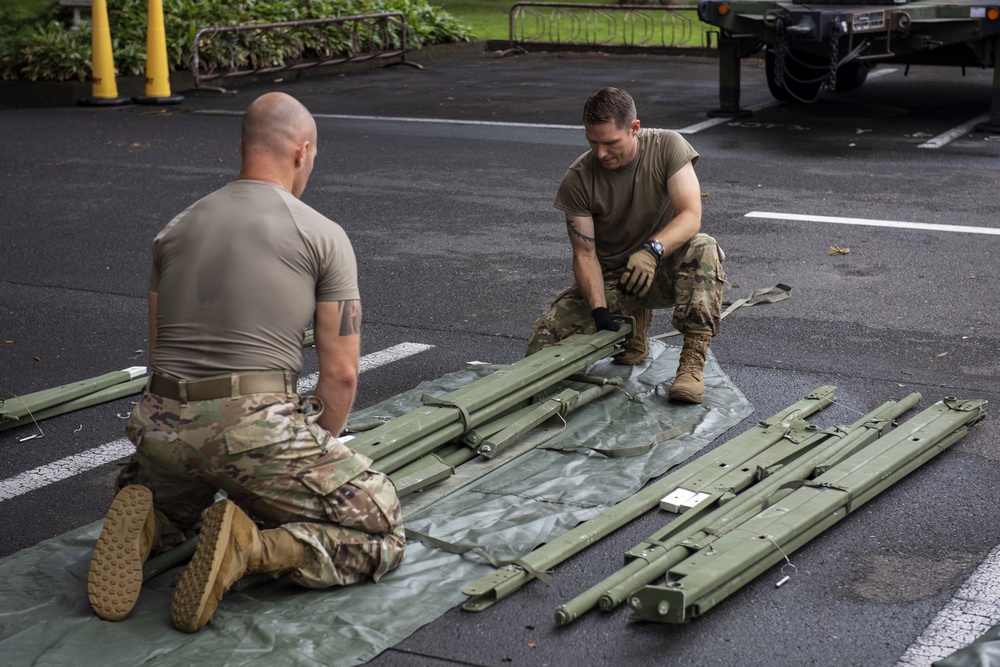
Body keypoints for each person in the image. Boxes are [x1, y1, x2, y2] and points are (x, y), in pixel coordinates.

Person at [86, 92, 406, 633]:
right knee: (381, 533)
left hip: (162, 426)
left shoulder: (174, 230)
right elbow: (342, 375)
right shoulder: (322, 234)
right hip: (253, 429)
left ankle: (152, 525)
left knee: (182, 498)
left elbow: (159, 349)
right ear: (301, 153)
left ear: (241, 148)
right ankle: (252, 548)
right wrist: (308, 460)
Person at [527, 87, 726, 404]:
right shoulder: (579, 179)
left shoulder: (667, 146)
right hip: (612, 279)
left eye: (610, 143)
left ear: (634, 128)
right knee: (540, 350)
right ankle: (631, 327)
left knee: (703, 246)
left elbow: (691, 215)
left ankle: (691, 364)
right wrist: (599, 310)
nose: (601, 153)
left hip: (660, 270)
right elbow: (585, 253)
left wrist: (652, 250)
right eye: (593, 142)